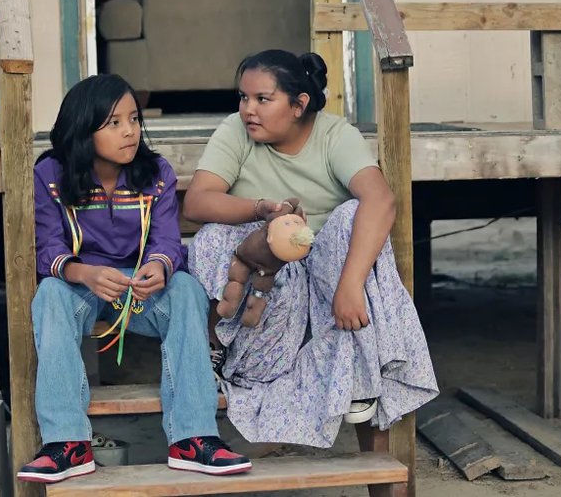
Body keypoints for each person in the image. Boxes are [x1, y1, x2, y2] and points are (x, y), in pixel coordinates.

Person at [183, 50, 439, 447]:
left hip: (328, 275)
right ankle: (227, 354)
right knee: (212, 237)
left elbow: (381, 200)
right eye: (243, 97)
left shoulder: (335, 136)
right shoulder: (236, 130)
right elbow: (197, 201)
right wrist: (260, 209)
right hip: (269, 278)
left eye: (263, 99)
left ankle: (359, 372)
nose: (248, 109)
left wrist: (350, 284)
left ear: (299, 104)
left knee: (354, 215)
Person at [17, 74, 251, 483]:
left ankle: (192, 439)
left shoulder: (153, 172)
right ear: (82, 128)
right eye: (113, 123)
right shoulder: (51, 174)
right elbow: (48, 246)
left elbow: (166, 238)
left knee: (185, 289)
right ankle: (67, 443)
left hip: (138, 291)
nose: (130, 131)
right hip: (80, 284)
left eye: (133, 119)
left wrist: (159, 267)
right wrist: (82, 272)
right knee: (50, 294)